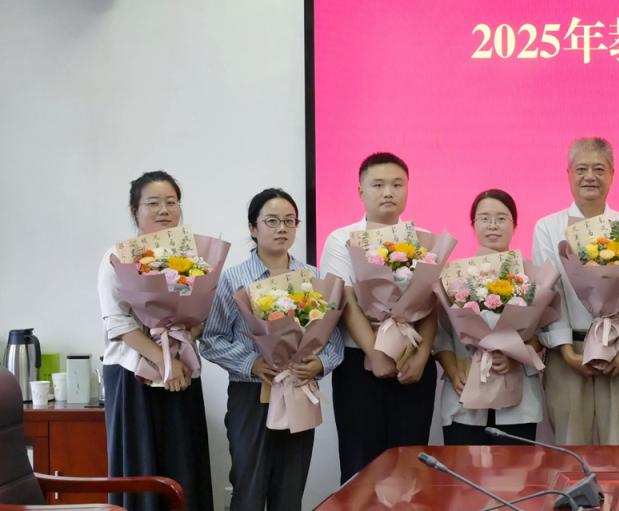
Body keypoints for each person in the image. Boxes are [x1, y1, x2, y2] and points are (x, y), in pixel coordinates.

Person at [200, 188, 344, 511]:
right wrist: (251, 362)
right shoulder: (233, 279)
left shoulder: (314, 278)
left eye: (290, 221)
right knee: (248, 489)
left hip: (298, 389)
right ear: (253, 228)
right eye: (272, 221)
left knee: (290, 491)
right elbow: (211, 338)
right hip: (251, 395)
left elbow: (334, 339)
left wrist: (319, 364)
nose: (282, 228)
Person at [98, 170, 213, 511]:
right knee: (140, 469)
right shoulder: (117, 257)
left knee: (184, 467)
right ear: (135, 211)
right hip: (133, 375)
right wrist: (165, 362)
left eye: (171, 202)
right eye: (153, 203)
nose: (164, 210)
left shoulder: (191, 260)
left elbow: (200, 316)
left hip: (181, 373)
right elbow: (118, 324)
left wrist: (181, 347)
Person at [319, 152, 438, 481]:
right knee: (361, 466)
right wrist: (374, 353)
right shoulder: (341, 238)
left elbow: (432, 303)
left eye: (397, 185)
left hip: (412, 362)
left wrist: (422, 357)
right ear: (361, 191)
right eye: (379, 185)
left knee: (411, 468)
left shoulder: (423, 239)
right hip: (359, 364)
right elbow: (345, 301)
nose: (389, 192)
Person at [532, 137, 619, 445]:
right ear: (569, 174)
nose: (590, 177)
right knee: (572, 450)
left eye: (599, 169)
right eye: (581, 169)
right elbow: (549, 292)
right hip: (569, 351)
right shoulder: (548, 227)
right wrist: (563, 348)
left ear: (612, 174)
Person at [434, 189, 568, 445]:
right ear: (473, 225)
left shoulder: (533, 278)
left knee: (515, 468)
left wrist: (516, 356)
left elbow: (542, 333)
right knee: (463, 467)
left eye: (501, 218)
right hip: (466, 390)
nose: (493, 225)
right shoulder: (452, 276)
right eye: (484, 218)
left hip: (518, 394)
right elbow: (441, 335)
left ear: (514, 225)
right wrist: (452, 371)